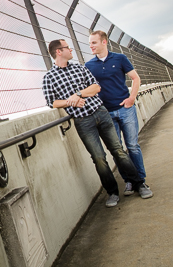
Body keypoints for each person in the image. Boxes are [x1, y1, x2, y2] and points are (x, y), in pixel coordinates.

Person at [42, 39, 144, 207]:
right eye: (67, 47)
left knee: (118, 150)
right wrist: (70, 101)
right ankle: (112, 193)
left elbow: (96, 87)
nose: (71, 49)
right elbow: (52, 102)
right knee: (99, 158)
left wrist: (79, 94)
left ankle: (139, 184)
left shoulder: (80, 68)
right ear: (59, 52)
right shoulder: (49, 78)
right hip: (83, 121)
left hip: (101, 113)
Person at [85, 30, 153, 199]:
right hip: (106, 113)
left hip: (125, 109)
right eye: (90, 43)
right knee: (117, 150)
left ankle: (141, 181)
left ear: (104, 42)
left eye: (94, 42)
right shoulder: (89, 66)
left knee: (132, 146)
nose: (91, 46)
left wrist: (131, 98)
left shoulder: (120, 58)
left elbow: (135, 79)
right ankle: (129, 181)